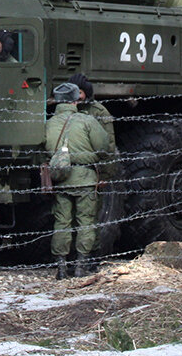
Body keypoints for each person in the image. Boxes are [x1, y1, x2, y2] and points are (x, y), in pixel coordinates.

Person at [46, 82, 109, 279]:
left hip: (61, 179)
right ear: (75, 100)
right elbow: (103, 148)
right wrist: (88, 158)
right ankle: (82, 265)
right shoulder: (86, 121)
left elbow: (46, 152)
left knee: (62, 222)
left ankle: (62, 268)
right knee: (86, 221)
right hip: (85, 179)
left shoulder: (49, 123)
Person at [68, 73, 118, 266]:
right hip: (69, 173)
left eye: (79, 92)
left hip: (92, 173)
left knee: (90, 218)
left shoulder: (98, 112)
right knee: (68, 217)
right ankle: (75, 256)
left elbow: (109, 147)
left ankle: (92, 256)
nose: (76, 97)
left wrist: (105, 175)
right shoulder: (66, 112)